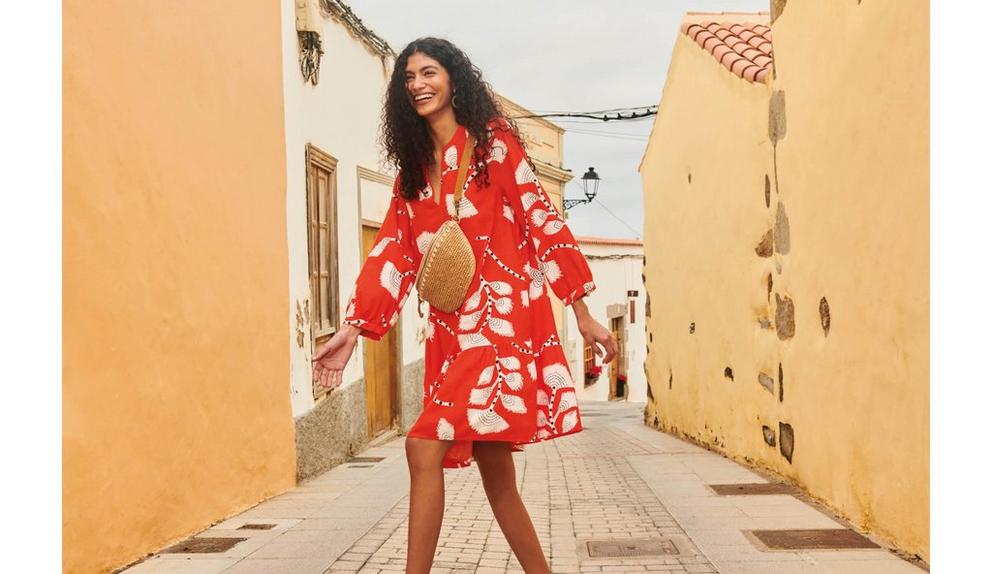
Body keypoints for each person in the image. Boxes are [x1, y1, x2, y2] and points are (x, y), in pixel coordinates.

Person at [312, 37, 618, 574]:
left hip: (499, 326)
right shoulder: (413, 170)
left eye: (428, 72)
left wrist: (582, 311)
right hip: (453, 333)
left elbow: (540, 219)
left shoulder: (494, 145)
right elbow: (394, 250)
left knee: (421, 446)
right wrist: (355, 329)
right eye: (408, 78)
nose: (417, 85)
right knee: (496, 474)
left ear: (454, 79)